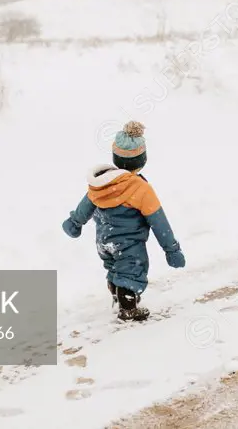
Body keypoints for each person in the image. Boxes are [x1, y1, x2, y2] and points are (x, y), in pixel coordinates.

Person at [62, 121, 186, 321]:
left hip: (104, 242)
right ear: (142, 160)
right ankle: (128, 308)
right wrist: (171, 250)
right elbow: (159, 222)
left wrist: (74, 223)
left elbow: (85, 206)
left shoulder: (102, 183)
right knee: (132, 271)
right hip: (129, 244)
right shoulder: (140, 188)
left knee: (114, 269)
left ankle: (116, 296)